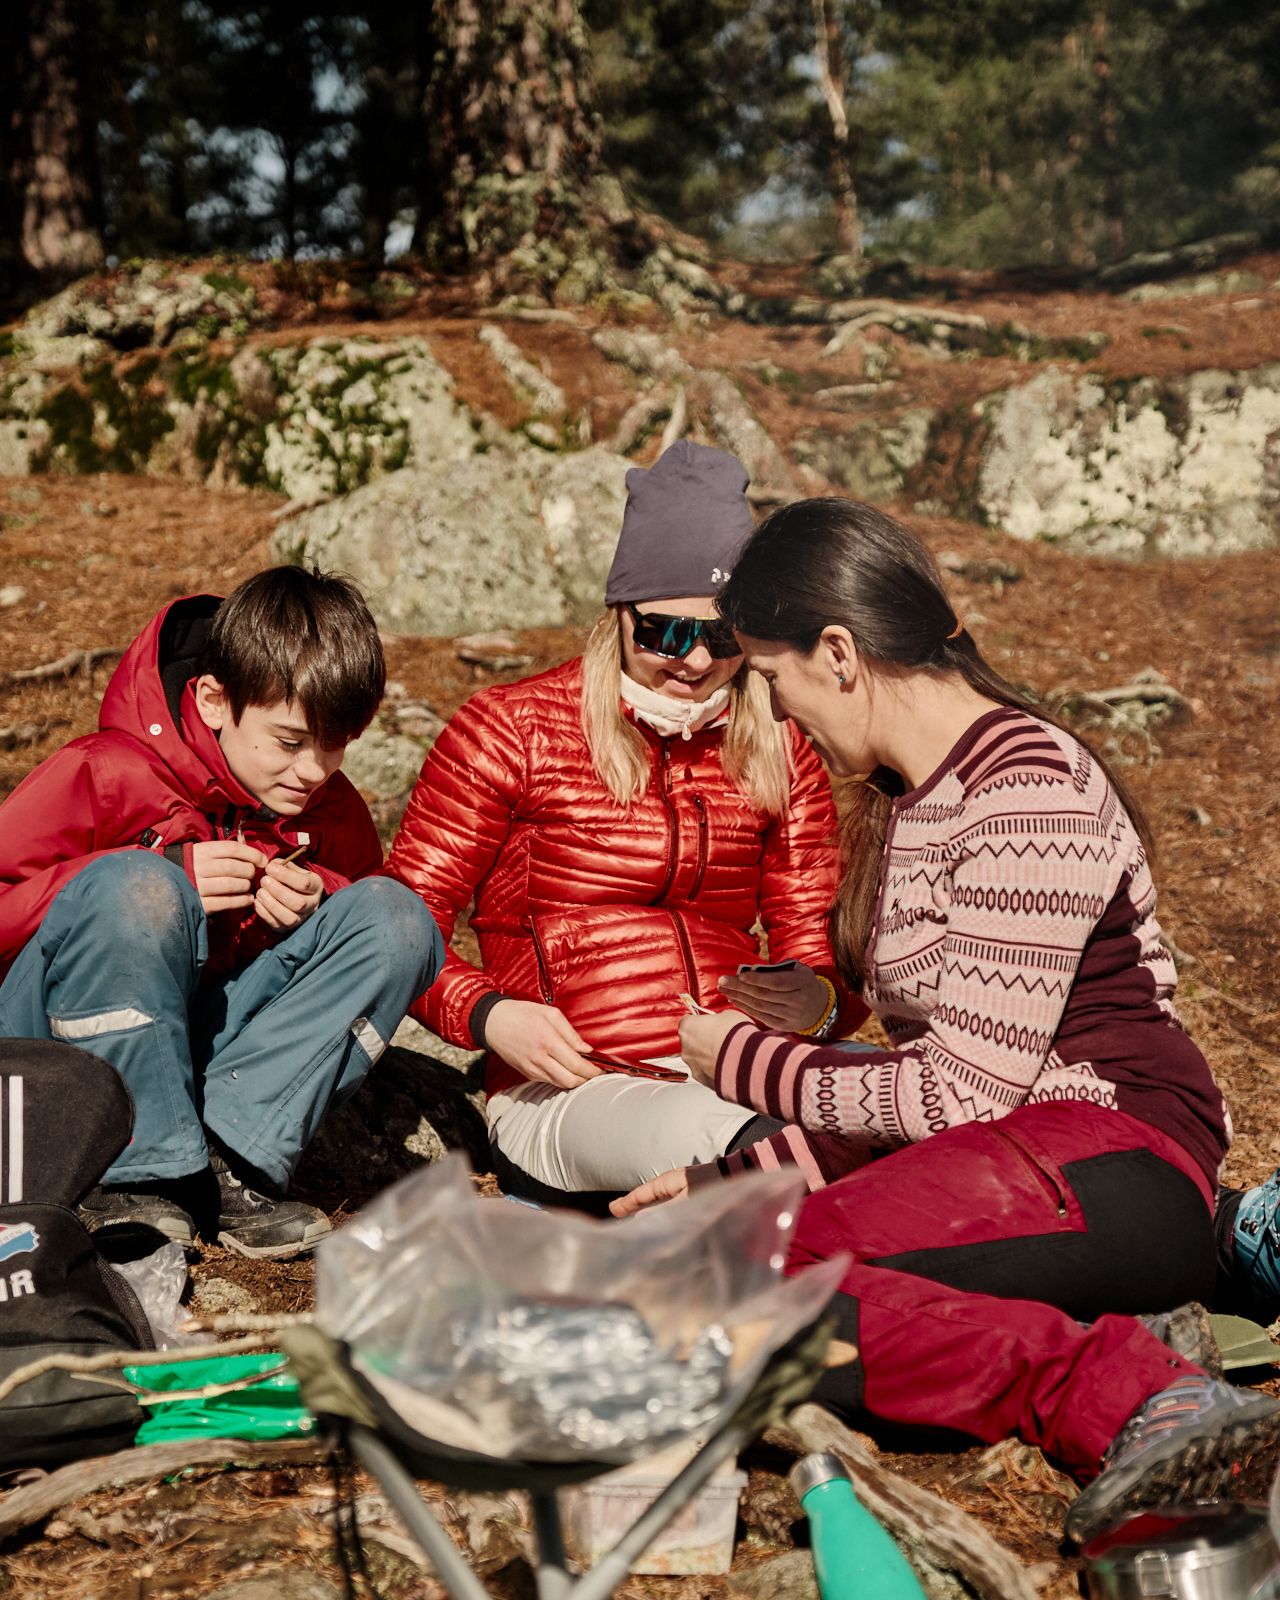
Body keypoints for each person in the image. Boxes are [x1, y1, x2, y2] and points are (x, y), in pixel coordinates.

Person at [611, 497, 1280, 1542]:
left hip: (1108, 1154)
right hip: (1024, 1163)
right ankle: (1153, 1311)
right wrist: (729, 1182)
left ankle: (1136, 1390)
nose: (780, 713)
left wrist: (743, 1061)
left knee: (714, 1288)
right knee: (695, 1288)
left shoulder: (1026, 789)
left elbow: (953, 1093)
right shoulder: (918, 795)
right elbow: (926, 1081)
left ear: (836, 652)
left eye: (772, 678)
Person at [385, 441, 863, 1206]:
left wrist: (823, 1005)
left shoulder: (782, 745)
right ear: (619, 613)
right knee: (763, 1150)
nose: (696, 660)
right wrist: (488, 1014)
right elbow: (396, 927)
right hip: (570, 1089)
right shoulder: (512, 728)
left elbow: (819, 947)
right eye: (666, 632)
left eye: (723, 636)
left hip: (746, 1065)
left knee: (916, 1123)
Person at [0, 567, 443, 1258]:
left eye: (337, 744)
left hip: (204, 1063)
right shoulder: (105, 772)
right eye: (291, 741)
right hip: (59, 1065)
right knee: (139, 889)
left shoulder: (330, 810)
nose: (314, 770)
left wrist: (311, 903)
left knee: (397, 919)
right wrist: (163, 876)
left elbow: (368, 952)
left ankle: (228, 1163)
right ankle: (122, 1174)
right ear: (213, 699)